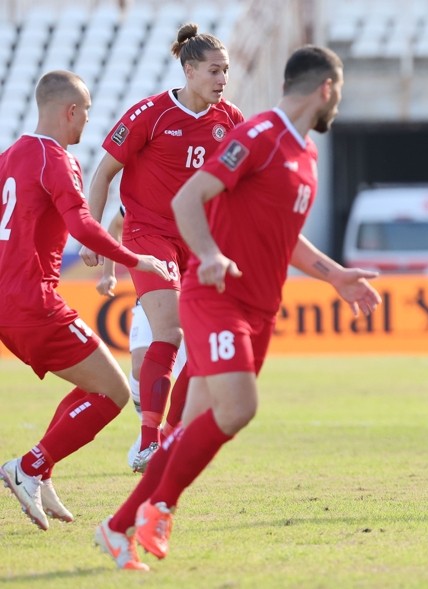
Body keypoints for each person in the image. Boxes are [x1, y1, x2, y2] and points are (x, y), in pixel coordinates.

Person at [94, 45, 382, 571]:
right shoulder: (259, 135)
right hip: (216, 299)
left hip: (260, 308)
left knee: (193, 426)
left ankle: (117, 528)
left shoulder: (305, 154)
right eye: (339, 91)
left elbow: (286, 237)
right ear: (326, 89)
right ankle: (160, 506)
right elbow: (188, 200)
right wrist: (207, 255)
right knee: (240, 408)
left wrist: (335, 275)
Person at [0, 70, 170, 533]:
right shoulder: (56, 160)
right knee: (113, 392)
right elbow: (80, 224)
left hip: (8, 300)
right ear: (70, 111)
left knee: (93, 384)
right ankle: (29, 467)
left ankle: (41, 470)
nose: (88, 122)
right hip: (32, 301)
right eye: (88, 112)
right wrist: (137, 258)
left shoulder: (10, 155)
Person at [81, 23, 244, 473]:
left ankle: (169, 436)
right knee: (169, 332)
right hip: (148, 234)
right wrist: (92, 232)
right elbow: (102, 175)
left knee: (207, 342)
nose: (222, 80)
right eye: (214, 71)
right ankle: (149, 440)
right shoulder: (149, 115)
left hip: (197, 239)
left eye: (226, 71)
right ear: (189, 70)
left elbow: (243, 183)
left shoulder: (230, 120)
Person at [95, 209, 188, 470]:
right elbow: (115, 225)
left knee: (186, 375)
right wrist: (108, 272)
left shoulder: (203, 191)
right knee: (139, 363)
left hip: (190, 292)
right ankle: (148, 429)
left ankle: (165, 438)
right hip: (156, 291)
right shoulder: (150, 198)